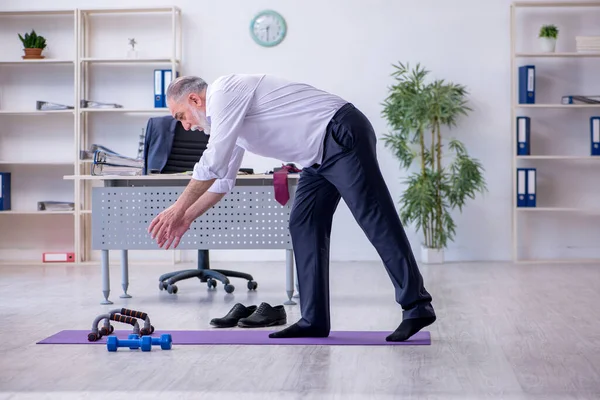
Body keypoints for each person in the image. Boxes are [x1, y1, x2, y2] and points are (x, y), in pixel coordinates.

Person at [148, 74, 436, 341]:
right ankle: (314, 320)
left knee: (375, 218)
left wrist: (176, 209)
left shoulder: (224, 92)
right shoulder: (225, 121)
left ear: (195, 100)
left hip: (340, 132)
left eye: (181, 116)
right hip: (316, 157)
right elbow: (223, 181)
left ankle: (417, 306)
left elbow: (212, 162)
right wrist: (186, 217)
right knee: (303, 224)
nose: (185, 126)